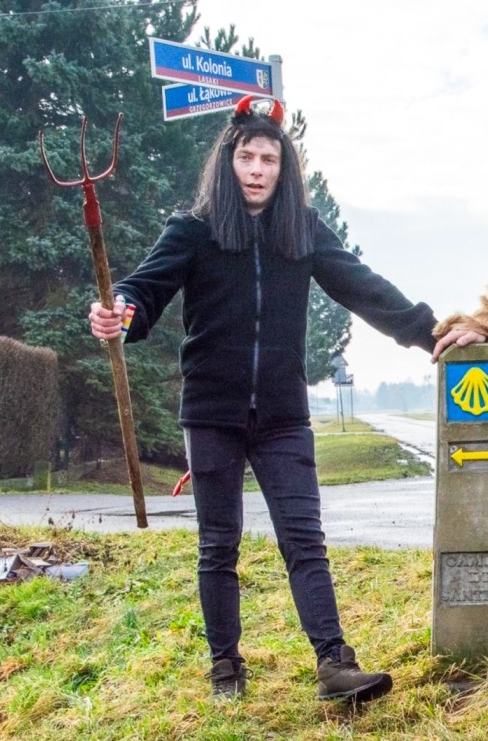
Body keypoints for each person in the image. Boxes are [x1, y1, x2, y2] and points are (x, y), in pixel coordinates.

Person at [87, 97, 437, 702]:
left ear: (283, 167)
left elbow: (362, 286)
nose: (256, 169)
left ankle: (334, 663)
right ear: (228, 162)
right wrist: (120, 308)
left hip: (281, 415)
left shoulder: (301, 229)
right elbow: (145, 289)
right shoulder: (193, 228)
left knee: (305, 541)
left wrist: (429, 331)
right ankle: (225, 665)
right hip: (212, 413)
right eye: (246, 157)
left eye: (268, 158)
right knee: (217, 545)